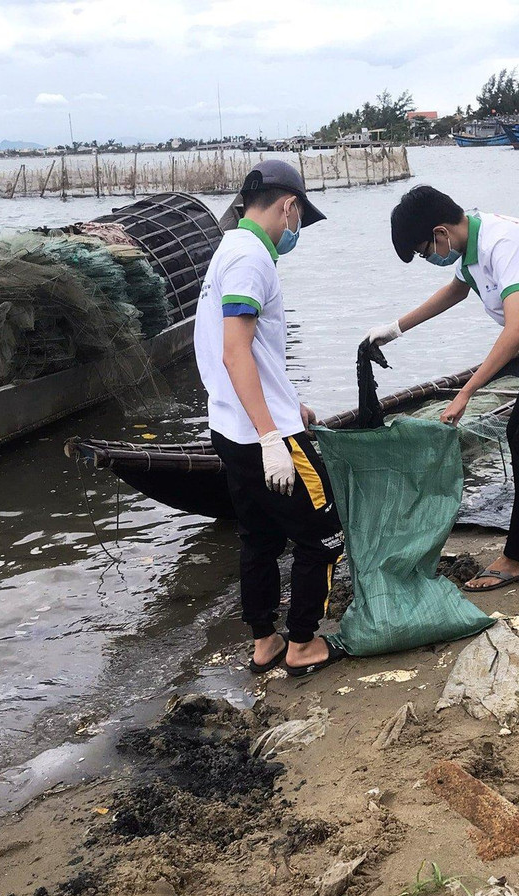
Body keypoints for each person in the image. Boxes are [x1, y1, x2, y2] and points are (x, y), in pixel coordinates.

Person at [362, 185, 519, 591]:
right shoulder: (471, 244)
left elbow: (518, 329)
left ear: (441, 232)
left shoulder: (501, 243)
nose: (431, 258)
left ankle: (516, 557)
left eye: (426, 251)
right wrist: (395, 329)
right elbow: (455, 290)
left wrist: (466, 392)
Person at [192, 159, 347, 677]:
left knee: (258, 537)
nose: (295, 229)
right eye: (298, 217)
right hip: (263, 436)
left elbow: (249, 353)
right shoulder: (252, 260)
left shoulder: (230, 248)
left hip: (230, 427)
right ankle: (302, 643)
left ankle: (264, 641)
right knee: (324, 534)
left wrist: (286, 398)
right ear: (288, 205)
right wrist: (271, 434)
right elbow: (235, 353)